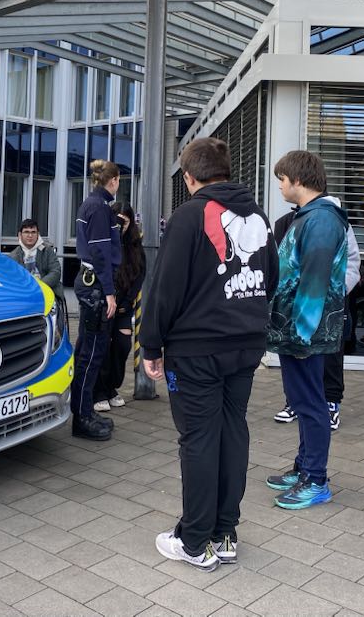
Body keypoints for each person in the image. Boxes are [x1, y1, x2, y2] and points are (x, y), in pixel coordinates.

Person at [139, 137, 278, 571]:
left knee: (198, 439)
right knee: (232, 430)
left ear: (189, 177)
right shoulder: (258, 215)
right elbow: (270, 277)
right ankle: (225, 530)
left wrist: (151, 344)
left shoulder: (188, 216)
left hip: (196, 350)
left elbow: (164, 288)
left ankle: (195, 541)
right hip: (245, 344)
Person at [265, 150, 347, 511]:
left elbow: (315, 281)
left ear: (297, 180)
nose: (281, 186)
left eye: (282, 179)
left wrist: (301, 332)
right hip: (294, 332)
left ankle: (316, 479)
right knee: (302, 402)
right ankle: (304, 467)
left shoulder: (322, 220)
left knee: (311, 404)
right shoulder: (309, 217)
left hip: (304, 334)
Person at [273, 194, 360, 430]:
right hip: (294, 304)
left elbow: (352, 261)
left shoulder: (335, 221)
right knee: (294, 351)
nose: (280, 186)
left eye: (283, 179)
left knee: (330, 354)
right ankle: (294, 400)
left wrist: (337, 291)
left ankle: (331, 403)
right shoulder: (284, 222)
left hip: (329, 302)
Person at [71, 159, 121, 441]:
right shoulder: (100, 208)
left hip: (90, 283)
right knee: (92, 353)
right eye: (118, 182)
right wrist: (110, 291)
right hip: (96, 287)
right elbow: (101, 253)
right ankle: (83, 417)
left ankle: (83, 409)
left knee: (86, 351)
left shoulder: (91, 204)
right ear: (112, 181)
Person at [94, 202, 146, 412]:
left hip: (124, 305)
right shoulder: (104, 241)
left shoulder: (134, 244)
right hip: (105, 305)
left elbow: (140, 273)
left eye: (125, 218)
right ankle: (99, 392)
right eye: (117, 217)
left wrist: (128, 301)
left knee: (123, 346)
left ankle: (111, 388)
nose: (121, 222)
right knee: (103, 349)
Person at [7, 218, 63, 299]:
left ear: (38, 234)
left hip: (47, 292)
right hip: (23, 296)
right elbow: (11, 279)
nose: (30, 236)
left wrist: (38, 286)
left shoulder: (47, 250)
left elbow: (55, 272)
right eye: (26, 232)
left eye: (33, 232)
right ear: (20, 235)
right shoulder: (12, 256)